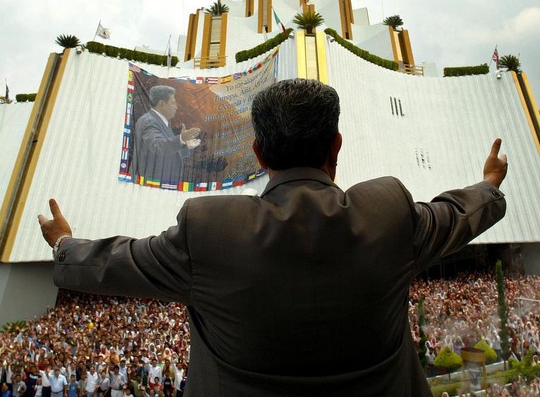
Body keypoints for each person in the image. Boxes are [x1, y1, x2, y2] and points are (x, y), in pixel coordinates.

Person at [40, 78, 508, 396]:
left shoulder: (210, 231)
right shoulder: (387, 213)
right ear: (336, 145)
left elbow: (119, 261)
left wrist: (64, 243)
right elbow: (455, 215)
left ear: (259, 153)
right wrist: (488, 186)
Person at [129, 85, 200, 186]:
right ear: (162, 103)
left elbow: (166, 153)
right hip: (148, 186)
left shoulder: (160, 122)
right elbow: (157, 146)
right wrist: (181, 139)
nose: (176, 107)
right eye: (173, 103)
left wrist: (184, 145)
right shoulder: (149, 121)